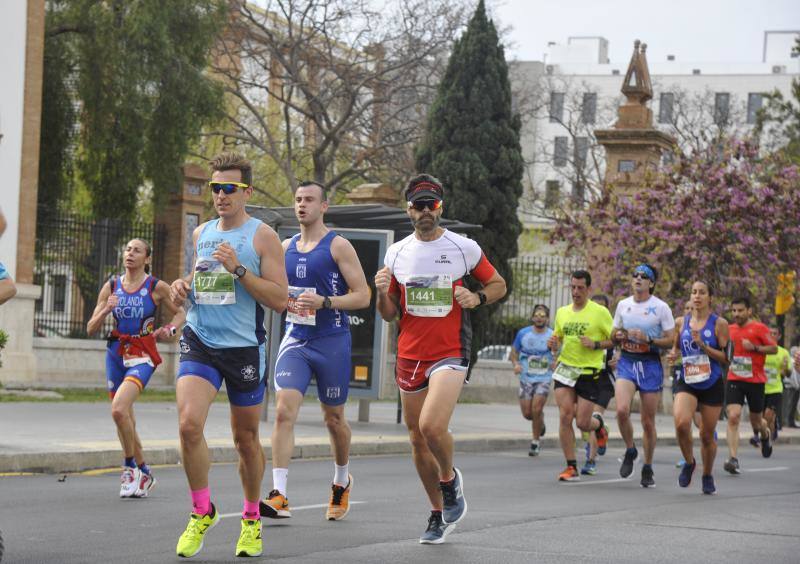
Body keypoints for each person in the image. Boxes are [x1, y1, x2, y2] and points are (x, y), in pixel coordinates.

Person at [374, 174, 506, 544]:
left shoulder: (464, 248)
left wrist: (477, 299)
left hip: (450, 350)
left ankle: (449, 480)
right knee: (417, 439)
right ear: (408, 209)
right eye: (418, 205)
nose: (425, 211)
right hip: (410, 352)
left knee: (432, 427)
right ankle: (437, 512)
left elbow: (498, 285)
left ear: (440, 207)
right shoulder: (396, 253)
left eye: (431, 204)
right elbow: (390, 313)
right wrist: (381, 293)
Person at [170, 152, 288, 558]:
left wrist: (240, 270)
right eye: (214, 188)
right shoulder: (201, 231)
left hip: (243, 348)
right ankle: (202, 510)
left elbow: (280, 299)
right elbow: (199, 275)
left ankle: (252, 518)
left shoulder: (262, 237)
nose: (220, 195)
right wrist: (182, 288)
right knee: (188, 426)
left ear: (246, 192)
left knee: (246, 440)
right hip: (200, 337)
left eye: (228, 189)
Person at [261, 181, 370, 522]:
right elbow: (270, 287)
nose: (302, 205)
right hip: (296, 339)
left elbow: (364, 295)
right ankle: (279, 494)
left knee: (334, 419)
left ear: (324, 206)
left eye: (309, 199)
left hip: (332, 341)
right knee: (283, 411)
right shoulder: (284, 246)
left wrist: (326, 301)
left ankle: (341, 480)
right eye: (297, 199)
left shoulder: (338, 246)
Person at [86, 238, 183, 498]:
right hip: (116, 353)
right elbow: (90, 327)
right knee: (125, 418)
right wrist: (106, 309)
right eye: (127, 249)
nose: (130, 253)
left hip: (142, 354)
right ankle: (145, 472)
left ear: (147, 259)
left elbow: (181, 313)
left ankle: (129, 467)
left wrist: (170, 329)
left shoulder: (155, 286)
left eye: (137, 250)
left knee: (118, 410)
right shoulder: (112, 286)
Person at [611, 264, 675, 488]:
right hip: (627, 361)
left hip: (649, 364)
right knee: (621, 410)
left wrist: (649, 339)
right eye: (635, 275)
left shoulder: (661, 308)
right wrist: (618, 335)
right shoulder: (623, 305)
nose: (638, 278)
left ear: (651, 283)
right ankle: (630, 449)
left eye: (643, 276)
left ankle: (647, 466)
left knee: (648, 422)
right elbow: (613, 333)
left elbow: (670, 340)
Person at [547, 270, 612, 482]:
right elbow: (558, 338)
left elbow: (615, 340)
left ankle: (600, 427)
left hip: (589, 373)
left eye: (580, 288)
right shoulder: (562, 312)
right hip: (566, 369)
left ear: (588, 289)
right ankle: (571, 466)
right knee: (565, 416)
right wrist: (553, 345)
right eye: (573, 287)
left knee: (583, 423)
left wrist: (595, 344)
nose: (575, 292)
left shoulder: (600, 312)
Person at [668, 281, 729, 495]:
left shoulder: (719, 323)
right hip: (688, 379)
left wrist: (703, 346)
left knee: (706, 435)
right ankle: (689, 462)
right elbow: (675, 345)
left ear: (709, 297)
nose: (697, 296)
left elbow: (725, 357)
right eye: (694, 292)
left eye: (702, 292)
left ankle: (707, 474)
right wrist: (674, 354)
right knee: (682, 423)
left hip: (711, 382)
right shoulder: (680, 322)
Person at [723, 295, 777, 475]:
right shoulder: (728, 329)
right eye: (734, 311)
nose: (736, 314)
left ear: (749, 311)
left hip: (755, 381)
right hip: (735, 378)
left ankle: (765, 434)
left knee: (756, 421)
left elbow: (774, 348)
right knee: (733, 416)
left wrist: (755, 348)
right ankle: (733, 458)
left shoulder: (759, 328)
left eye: (740, 311)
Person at [579, 294, 616, 476]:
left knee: (593, 415)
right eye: (595, 307)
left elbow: (623, 352)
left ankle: (590, 460)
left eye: (603, 308)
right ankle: (601, 429)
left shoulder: (613, 334)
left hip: (604, 381)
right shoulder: (584, 332)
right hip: (585, 378)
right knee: (583, 421)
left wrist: (618, 361)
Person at [510, 304, 554, 457]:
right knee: (528, 413)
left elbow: (560, 353)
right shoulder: (523, 333)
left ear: (547, 319)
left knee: (536, 408)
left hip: (544, 378)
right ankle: (540, 422)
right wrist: (515, 364)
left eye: (543, 316)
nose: (539, 318)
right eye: (537, 315)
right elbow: (513, 352)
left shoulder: (552, 335)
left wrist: (556, 362)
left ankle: (535, 442)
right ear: (532, 317)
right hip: (526, 377)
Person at [762, 324, 791, 441]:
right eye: (770, 333)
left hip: (775, 389)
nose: (772, 335)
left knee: (768, 415)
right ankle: (770, 433)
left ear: (779, 336)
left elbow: (787, 374)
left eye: (775, 333)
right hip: (761, 388)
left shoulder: (783, 353)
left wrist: (785, 369)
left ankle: (766, 440)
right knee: (763, 418)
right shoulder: (762, 350)